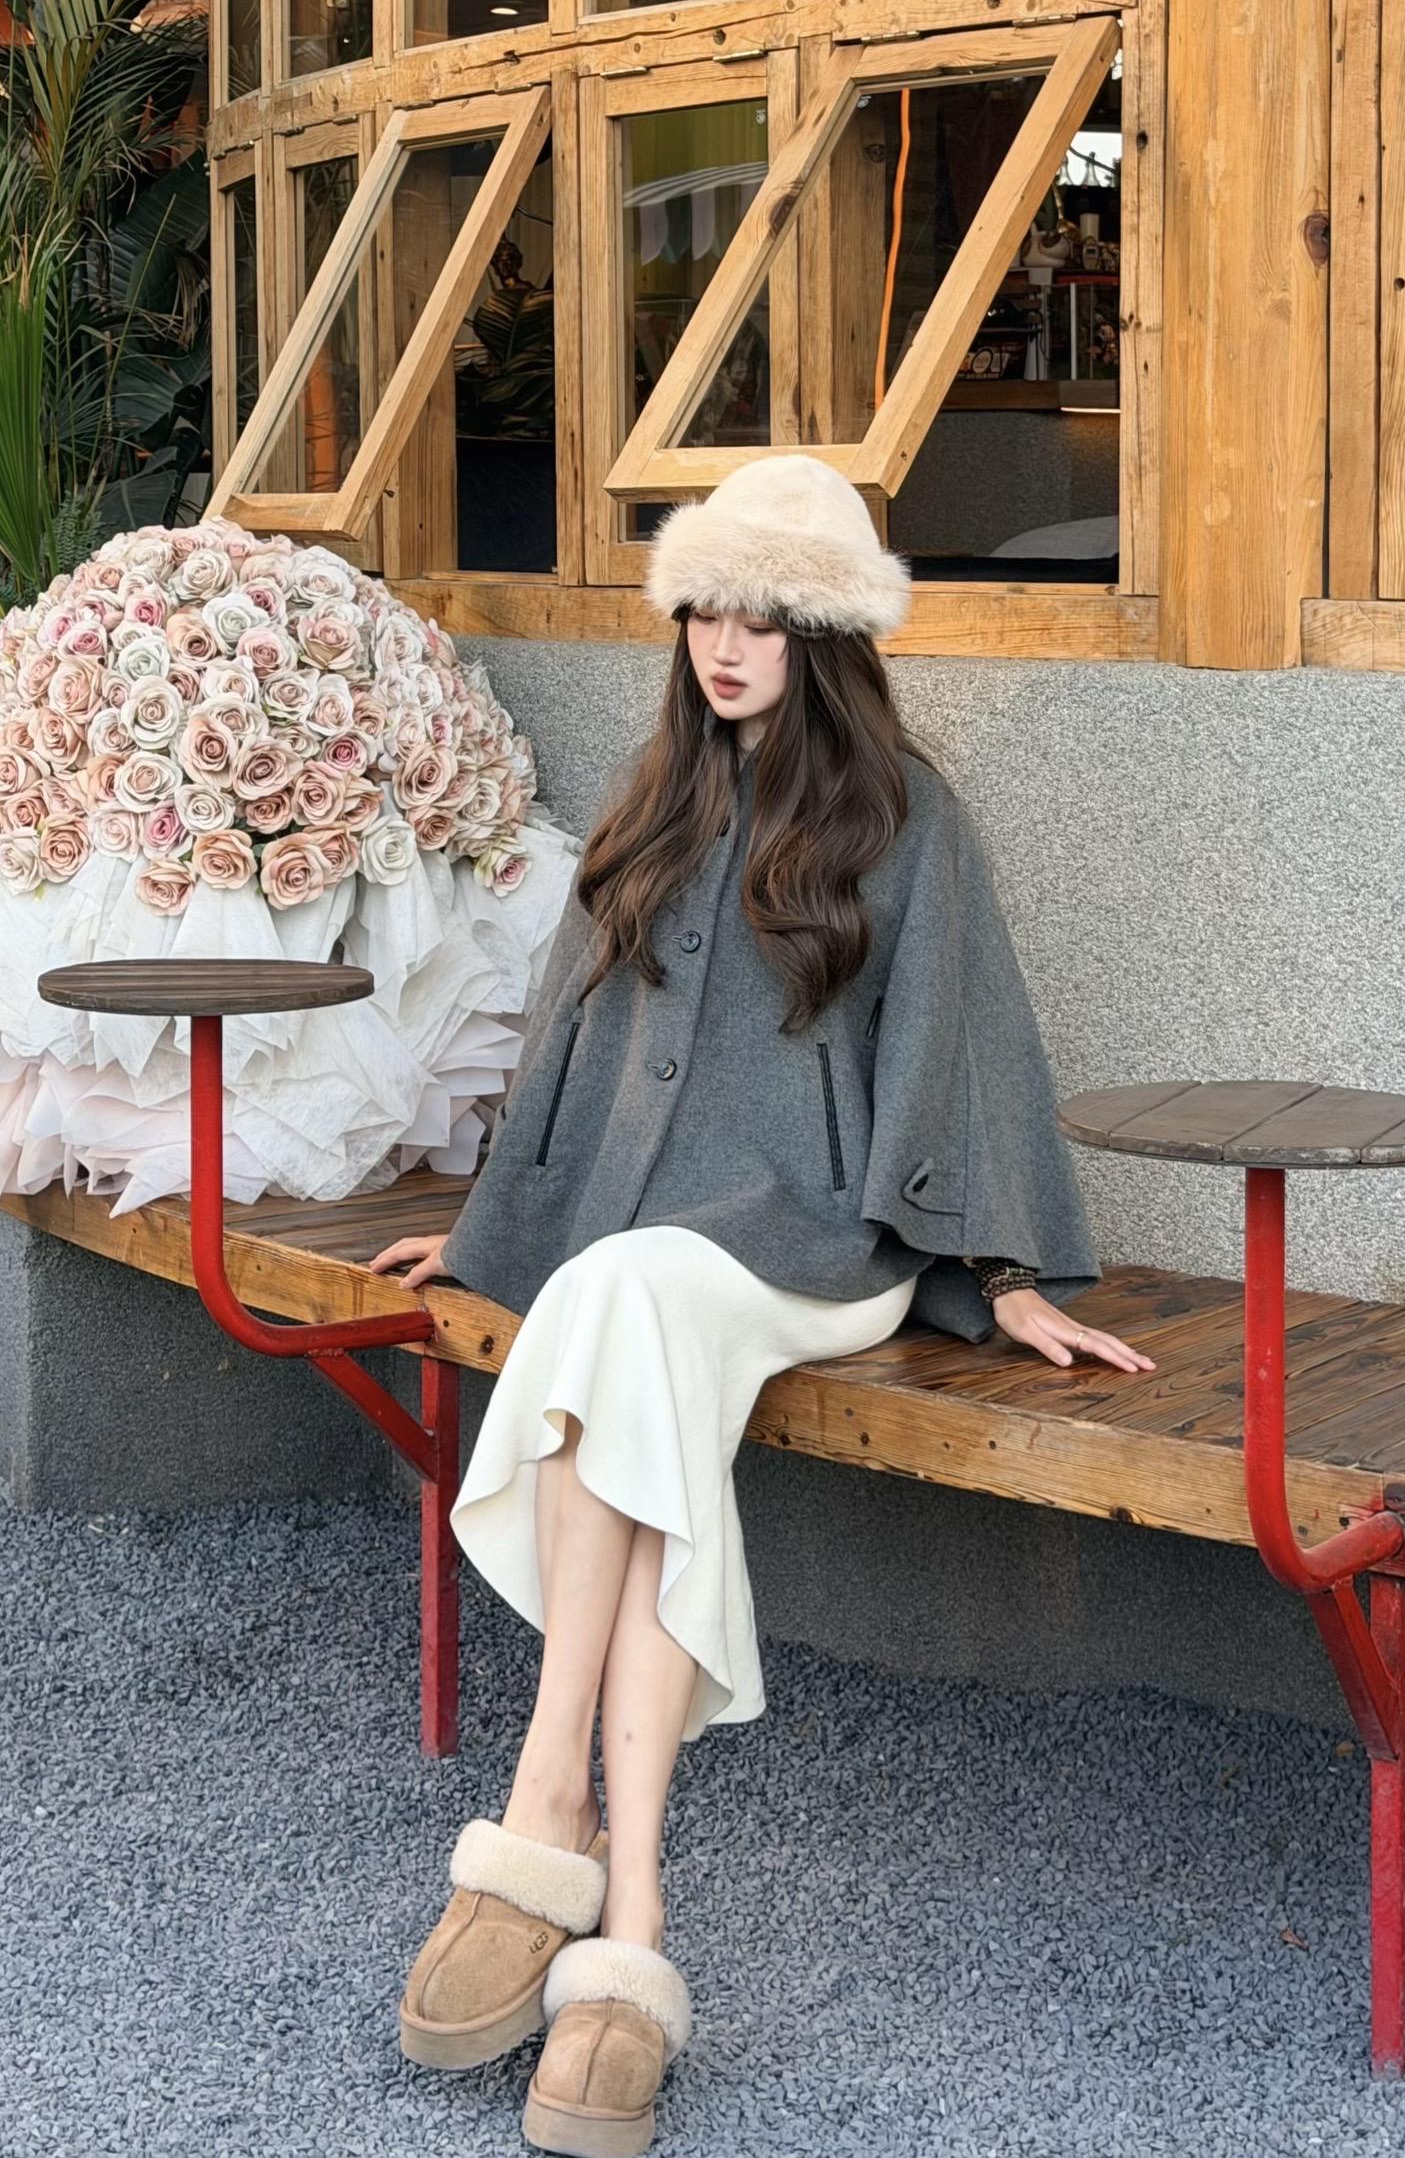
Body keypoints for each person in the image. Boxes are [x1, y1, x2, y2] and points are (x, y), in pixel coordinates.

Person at [367, 453, 1152, 2158]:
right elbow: (572, 1036)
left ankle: (542, 1822)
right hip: (642, 1265)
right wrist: (491, 1230)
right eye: (705, 611)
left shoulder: (907, 820)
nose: (725, 646)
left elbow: (963, 1044)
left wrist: (1001, 1274)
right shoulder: (658, 798)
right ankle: (633, 1911)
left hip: (812, 1258)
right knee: (619, 1313)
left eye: (765, 617)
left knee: (619, 1302)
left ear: (826, 636)